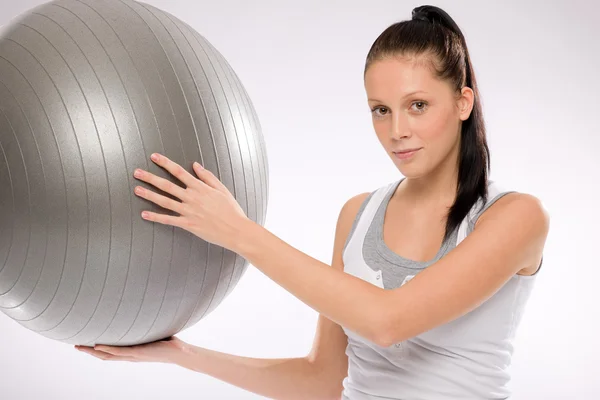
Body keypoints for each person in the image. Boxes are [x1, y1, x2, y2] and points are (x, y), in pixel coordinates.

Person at [76, 5, 549, 399]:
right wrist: (183, 355)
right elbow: (323, 380)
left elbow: (388, 321)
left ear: (463, 102)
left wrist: (239, 232)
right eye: (380, 110)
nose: (397, 130)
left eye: (417, 105)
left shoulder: (514, 217)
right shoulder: (357, 217)